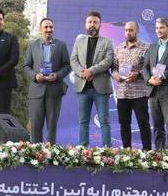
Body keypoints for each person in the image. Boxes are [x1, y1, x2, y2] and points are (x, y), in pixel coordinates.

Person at [70, 11, 115, 147]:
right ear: (86, 24)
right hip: (83, 87)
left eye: (95, 22)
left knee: (104, 121)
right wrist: (82, 72)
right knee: (83, 121)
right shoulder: (79, 41)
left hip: (101, 88)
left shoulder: (107, 42)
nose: (92, 24)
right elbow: (73, 59)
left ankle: (107, 150)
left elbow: (108, 61)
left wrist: (91, 71)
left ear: (100, 25)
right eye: (90, 22)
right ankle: (83, 150)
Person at [23, 17, 71, 143]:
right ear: (40, 29)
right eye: (46, 27)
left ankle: (50, 152)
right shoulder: (32, 45)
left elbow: (67, 66)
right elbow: (26, 67)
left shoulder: (61, 45)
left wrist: (58, 75)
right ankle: (35, 152)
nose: (49, 30)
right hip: (36, 92)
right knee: (35, 127)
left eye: (51, 27)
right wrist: (35, 76)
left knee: (52, 127)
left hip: (54, 91)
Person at [140, 17, 168, 150]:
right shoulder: (152, 46)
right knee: (157, 126)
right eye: (157, 28)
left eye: (162, 28)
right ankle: (159, 154)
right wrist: (149, 79)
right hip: (153, 91)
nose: (158, 30)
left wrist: (163, 76)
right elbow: (145, 67)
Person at [111, 21, 150, 150]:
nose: (128, 33)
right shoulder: (119, 48)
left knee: (143, 124)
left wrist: (138, 74)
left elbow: (150, 69)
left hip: (139, 93)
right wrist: (116, 75)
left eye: (131, 30)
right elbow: (113, 68)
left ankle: (147, 152)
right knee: (124, 124)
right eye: (126, 30)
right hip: (122, 93)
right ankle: (127, 152)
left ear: (137, 31)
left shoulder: (146, 48)